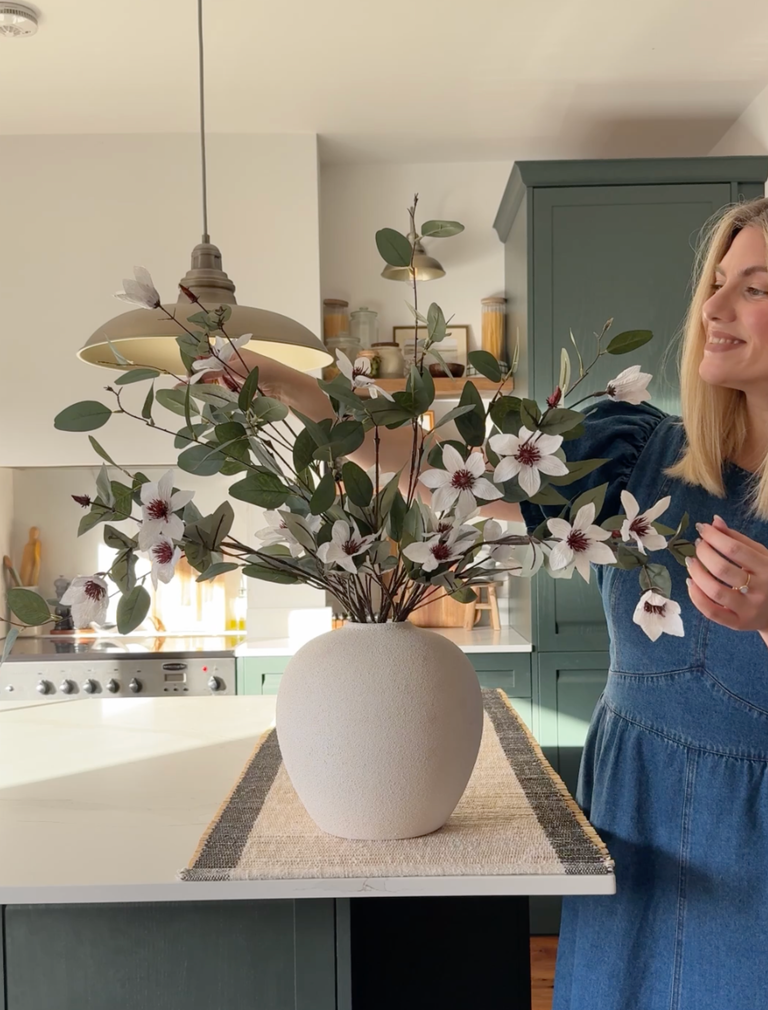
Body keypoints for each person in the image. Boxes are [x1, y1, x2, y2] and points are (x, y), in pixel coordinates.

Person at [227, 197, 768, 1009]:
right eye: (716, 282)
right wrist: (283, 383)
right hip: (634, 811)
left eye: (756, 289)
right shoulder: (636, 450)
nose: (713, 309)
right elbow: (438, 460)